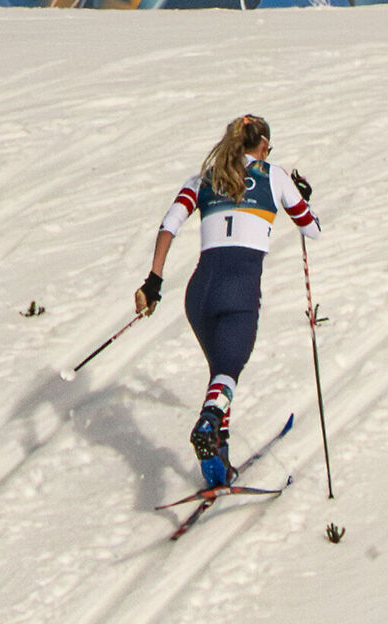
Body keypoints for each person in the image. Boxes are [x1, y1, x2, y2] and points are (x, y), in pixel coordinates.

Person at [134, 113, 320, 491]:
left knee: (221, 370)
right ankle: (208, 423)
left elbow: (169, 224)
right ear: (263, 145)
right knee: (228, 371)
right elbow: (311, 228)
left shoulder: (203, 179)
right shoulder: (274, 175)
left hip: (199, 294)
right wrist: (302, 196)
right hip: (238, 291)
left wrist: (153, 280)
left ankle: (218, 459)